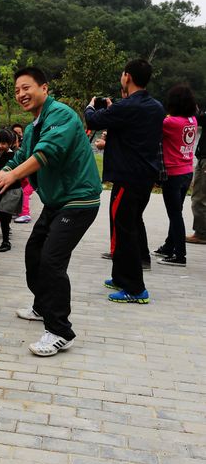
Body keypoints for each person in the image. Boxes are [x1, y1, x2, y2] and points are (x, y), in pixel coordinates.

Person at [0, 67, 101, 356]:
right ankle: (42, 306)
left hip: (78, 200)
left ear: (45, 89)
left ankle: (60, 331)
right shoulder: (32, 127)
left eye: (27, 87)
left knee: (51, 261)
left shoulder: (61, 114)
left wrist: (12, 178)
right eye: (16, 91)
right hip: (55, 202)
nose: (21, 94)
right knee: (34, 253)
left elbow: (46, 154)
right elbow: (21, 158)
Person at [84, 59, 164, 303]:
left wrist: (90, 106)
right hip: (144, 176)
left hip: (128, 177)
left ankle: (135, 288)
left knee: (125, 229)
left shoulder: (126, 106)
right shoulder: (156, 106)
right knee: (125, 225)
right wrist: (112, 108)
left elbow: (93, 120)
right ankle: (120, 276)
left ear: (127, 77)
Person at [154, 83, 198, 267]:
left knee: (175, 215)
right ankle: (169, 246)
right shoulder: (192, 121)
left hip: (172, 173)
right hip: (187, 171)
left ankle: (180, 256)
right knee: (177, 212)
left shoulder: (170, 122)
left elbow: (153, 130)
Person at [0, 129, 23, 253]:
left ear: (10, 144)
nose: (0, 146)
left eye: (3, 143)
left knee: (4, 213)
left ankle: (6, 241)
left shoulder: (13, 156)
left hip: (12, 190)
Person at [186, 104, 206, 245]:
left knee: (199, 197)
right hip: (202, 157)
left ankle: (202, 233)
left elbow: (200, 119)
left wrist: (195, 112)